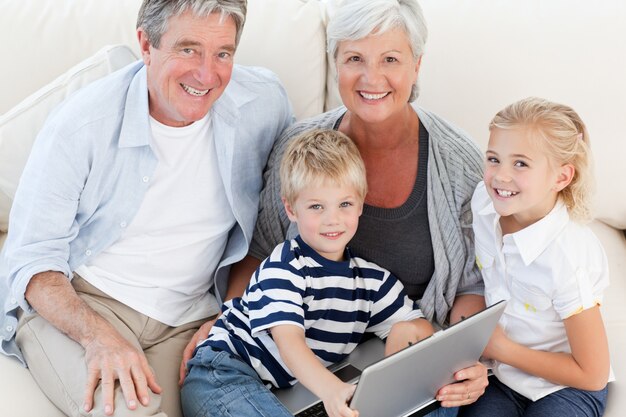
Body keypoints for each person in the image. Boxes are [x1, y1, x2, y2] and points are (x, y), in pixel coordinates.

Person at [181, 0, 488, 408]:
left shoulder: (460, 164)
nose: (371, 77)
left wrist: (458, 361)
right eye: (354, 58)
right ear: (334, 63)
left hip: (388, 359)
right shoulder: (299, 149)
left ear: (417, 65)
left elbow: (472, 284)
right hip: (287, 364)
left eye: (391, 59)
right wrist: (230, 314)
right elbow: (259, 250)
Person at [0, 0, 293, 416]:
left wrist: (232, 314)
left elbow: (280, 224)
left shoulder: (263, 104)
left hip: (194, 313)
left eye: (222, 54)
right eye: (188, 49)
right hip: (86, 302)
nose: (206, 74)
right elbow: (30, 259)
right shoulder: (81, 126)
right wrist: (97, 335)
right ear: (146, 44)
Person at [181, 129, 437, 417]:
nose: (333, 219)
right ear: (291, 209)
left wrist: (405, 332)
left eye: (345, 204)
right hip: (223, 375)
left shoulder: (372, 283)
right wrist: (332, 390)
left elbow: (421, 326)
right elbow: (289, 342)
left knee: (435, 407)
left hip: (284, 392)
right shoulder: (285, 266)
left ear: (361, 204)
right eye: (316, 206)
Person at [459, 97, 611, 417]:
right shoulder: (484, 206)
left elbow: (593, 373)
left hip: (566, 387)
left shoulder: (569, 256)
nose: (500, 176)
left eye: (521, 163)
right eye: (493, 159)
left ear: (561, 177)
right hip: (502, 376)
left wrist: (502, 348)